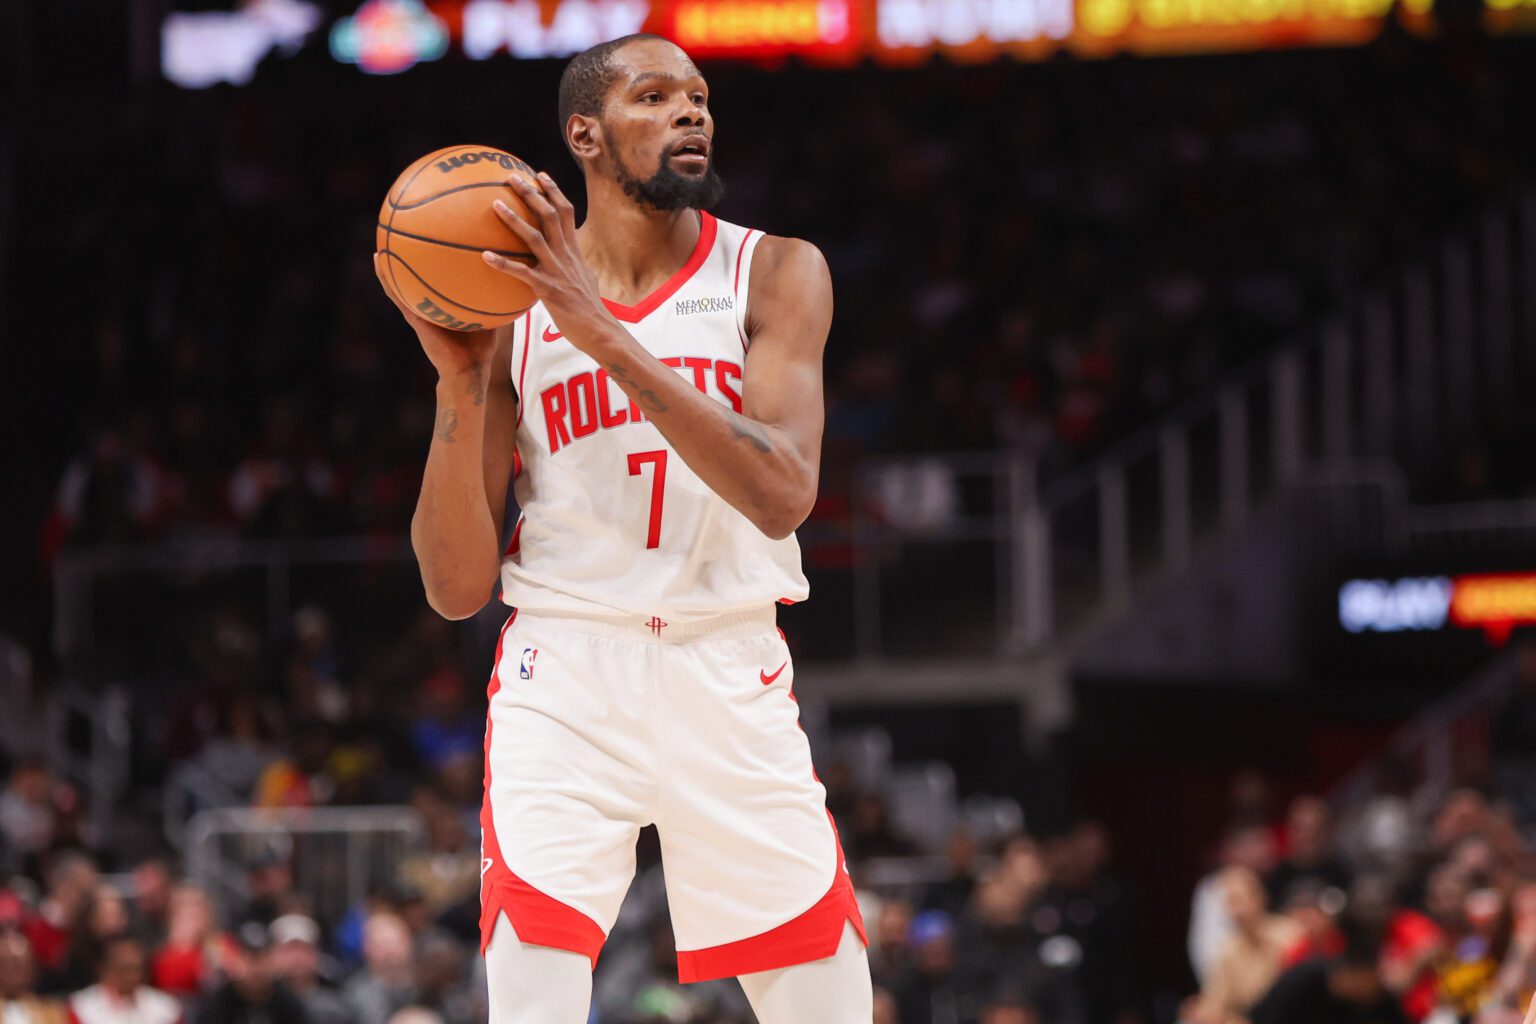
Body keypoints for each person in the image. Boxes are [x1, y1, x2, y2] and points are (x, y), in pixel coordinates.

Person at [373, 30, 869, 1024]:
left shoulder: (773, 272)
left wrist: (606, 337)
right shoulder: (511, 315)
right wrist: (462, 379)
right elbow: (456, 587)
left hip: (727, 663)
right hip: (567, 674)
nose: (692, 112)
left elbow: (782, 493)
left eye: (698, 97)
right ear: (585, 137)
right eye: (655, 97)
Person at [67, 934, 182, 1024]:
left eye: (138, 968)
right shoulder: (82, 1007)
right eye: (125, 969)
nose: (134, 976)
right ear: (105, 970)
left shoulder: (166, 1008)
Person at [0, 931, 67, 1024]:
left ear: (31, 968)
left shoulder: (51, 1013)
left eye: (17, 964)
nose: (10, 971)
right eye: (4, 964)